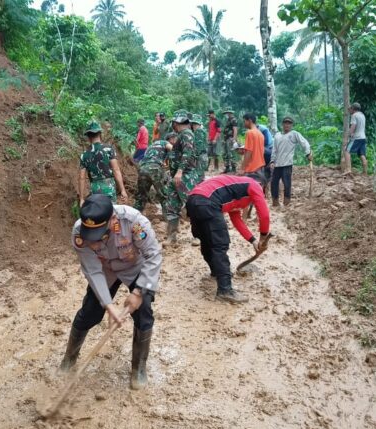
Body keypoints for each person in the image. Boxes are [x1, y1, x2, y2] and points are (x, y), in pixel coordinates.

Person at [60, 194, 162, 390]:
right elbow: (92, 270)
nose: (94, 238)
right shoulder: (79, 233)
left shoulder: (134, 222)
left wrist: (139, 292)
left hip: (135, 267)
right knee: (90, 312)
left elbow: (153, 255)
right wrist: (109, 305)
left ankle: (138, 367)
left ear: (113, 219)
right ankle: (69, 358)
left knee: (144, 312)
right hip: (104, 270)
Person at [186, 175, 271, 303]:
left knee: (207, 241)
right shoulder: (254, 184)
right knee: (220, 245)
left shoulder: (234, 192)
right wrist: (263, 237)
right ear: (262, 186)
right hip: (207, 202)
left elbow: (236, 220)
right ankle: (225, 290)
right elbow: (264, 215)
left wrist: (253, 240)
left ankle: (217, 272)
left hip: (193, 201)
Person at [166, 110, 201, 243]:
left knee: (192, 205)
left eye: (174, 122)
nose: (173, 125)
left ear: (177, 122)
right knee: (172, 205)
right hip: (176, 177)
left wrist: (180, 171)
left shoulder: (187, 133)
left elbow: (187, 152)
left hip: (185, 176)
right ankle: (172, 236)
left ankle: (198, 236)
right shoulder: (182, 134)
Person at [79, 121, 128, 205]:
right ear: (100, 134)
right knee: (111, 212)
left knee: (99, 213)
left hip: (95, 188)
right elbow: (116, 170)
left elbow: (81, 178)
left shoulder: (84, 155)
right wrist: (123, 190)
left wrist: (81, 199)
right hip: (109, 186)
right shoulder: (108, 149)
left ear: (88, 137)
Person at [270, 117, 312, 207]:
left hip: (287, 164)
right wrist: (272, 161)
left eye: (289, 123)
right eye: (285, 123)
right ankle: (275, 201)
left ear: (292, 125)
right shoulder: (277, 135)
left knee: (287, 183)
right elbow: (274, 149)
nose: (287, 125)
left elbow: (304, 142)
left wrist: (308, 153)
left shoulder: (294, 134)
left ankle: (286, 202)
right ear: (282, 124)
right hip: (277, 164)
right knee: (274, 183)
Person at [134, 133, 178, 216]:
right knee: (164, 195)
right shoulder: (165, 142)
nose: (176, 141)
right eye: (176, 139)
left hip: (142, 168)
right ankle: (169, 218)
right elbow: (172, 149)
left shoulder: (152, 146)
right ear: (171, 139)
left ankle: (135, 216)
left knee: (141, 196)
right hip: (154, 168)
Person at [239, 113, 266, 186]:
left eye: (244, 121)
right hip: (260, 167)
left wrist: (242, 168)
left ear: (249, 121)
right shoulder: (260, 134)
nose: (244, 124)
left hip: (252, 168)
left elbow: (249, 152)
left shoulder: (250, 133)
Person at [344, 102, 368, 175]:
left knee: (346, 151)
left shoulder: (354, 115)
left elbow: (353, 126)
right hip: (363, 137)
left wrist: (348, 135)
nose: (349, 111)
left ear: (353, 109)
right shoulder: (362, 115)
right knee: (362, 154)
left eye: (350, 109)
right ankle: (365, 172)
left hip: (356, 138)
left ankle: (348, 169)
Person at [257, 122, 274, 190]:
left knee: (267, 170)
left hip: (268, 150)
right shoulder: (261, 129)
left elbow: (267, 142)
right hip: (265, 151)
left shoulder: (263, 129)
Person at [221, 109, 239, 173]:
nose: (227, 114)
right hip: (226, 139)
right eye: (227, 113)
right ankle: (227, 167)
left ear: (231, 113)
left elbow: (235, 130)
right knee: (225, 154)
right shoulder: (228, 120)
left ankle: (234, 168)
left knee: (231, 154)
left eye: (228, 113)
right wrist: (223, 139)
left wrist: (234, 139)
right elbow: (225, 131)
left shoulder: (234, 120)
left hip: (230, 139)